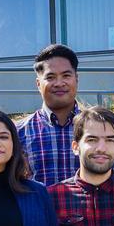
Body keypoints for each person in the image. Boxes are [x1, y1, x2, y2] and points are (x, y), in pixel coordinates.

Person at [16, 44, 81, 188]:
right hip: (37, 204)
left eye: (66, 75)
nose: (59, 83)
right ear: (38, 84)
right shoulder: (18, 132)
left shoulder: (98, 128)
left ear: (76, 79)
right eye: (50, 77)